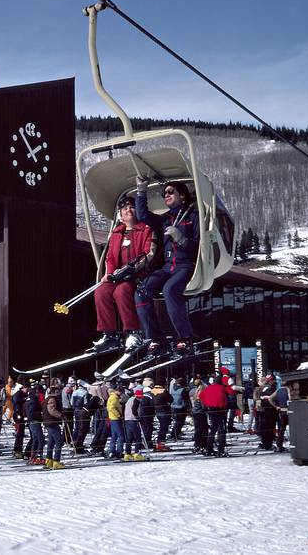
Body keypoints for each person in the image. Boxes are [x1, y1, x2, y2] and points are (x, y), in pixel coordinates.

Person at [135, 177, 200, 358]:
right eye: (165, 194)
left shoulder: (193, 217)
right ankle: (156, 338)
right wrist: (141, 191)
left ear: (182, 195)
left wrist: (182, 239)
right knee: (142, 291)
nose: (167, 195)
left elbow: (199, 247)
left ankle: (185, 338)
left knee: (170, 290)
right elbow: (143, 216)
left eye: (171, 192)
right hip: (167, 266)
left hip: (185, 265)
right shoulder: (165, 219)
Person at [88, 195, 159, 353]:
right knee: (101, 292)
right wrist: (110, 273)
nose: (128, 210)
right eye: (124, 208)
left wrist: (131, 269)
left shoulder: (146, 229)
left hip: (136, 275)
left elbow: (149, 254)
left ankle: (133, 332)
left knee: (122, 291)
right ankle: (109, 334)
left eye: (131, 207)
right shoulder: (116, 233)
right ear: (120, 213)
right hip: (117, 276)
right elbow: (111, 257)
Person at [199, 376, 228, 457]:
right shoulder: (221, 388)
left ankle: (209, 449)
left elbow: (201, 396)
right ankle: (221, 450)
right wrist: (223, 406)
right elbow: (222, 399)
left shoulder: (209, 387)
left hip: (211, 410)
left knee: (212, 430)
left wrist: (207, 403)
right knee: (222, 431)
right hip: (219, 410)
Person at [42, 387, 65, 469]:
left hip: (48, 422)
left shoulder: (47, 399)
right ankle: (56, 461)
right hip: (52, 422)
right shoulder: (52, 399)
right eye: (57, 391)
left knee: (51, 442)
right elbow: (51, 410)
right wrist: (61, 415)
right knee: (59, 441)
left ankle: (49, 461)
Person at [124, 388, 146, 461]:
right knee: (138, 438)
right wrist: (137, 417)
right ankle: (137, 453)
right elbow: (134, 409)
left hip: (127, 419)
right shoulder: (136, 400)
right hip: (133, 420)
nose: (141, 399)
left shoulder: (129, 400)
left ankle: (127, 454)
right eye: (140, 397)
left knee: (129, 438)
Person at [151, 378, 173, 451]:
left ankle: (160, 444)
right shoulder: (163, 391)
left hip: (157, 411)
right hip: (164, 410)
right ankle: (160, 444)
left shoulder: (153, 390)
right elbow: (171, 399)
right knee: (163, 428)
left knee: (162, 427)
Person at [269, 380, 290, 452]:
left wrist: (276, 406)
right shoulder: (288, 390)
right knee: (294, 428)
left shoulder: (278, 390)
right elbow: (290, 400)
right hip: (289, 411)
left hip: (282, 411)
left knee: (282, 429)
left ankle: (279, 446)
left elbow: (270, 398)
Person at [257, 375, 277, 450]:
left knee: (265, 427)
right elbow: (272, 399)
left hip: (264, 410)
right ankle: (268, 444)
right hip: (270, 410)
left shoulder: (263, 389)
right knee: (270, 428)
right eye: (272, 380)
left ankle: (265, 443)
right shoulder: (271, 388)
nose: (273, 381)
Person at [106, 385, 125, 459]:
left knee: (114, 436)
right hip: (115, 418)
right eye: (121, 392)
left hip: (112, 418)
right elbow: (111, 408)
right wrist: (118, 415)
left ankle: (112, 451)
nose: (121, 394)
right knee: (121, 436)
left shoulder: (112, 397)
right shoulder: (114, 398)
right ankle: (119, 452)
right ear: (118, 391)